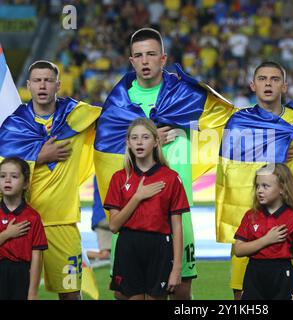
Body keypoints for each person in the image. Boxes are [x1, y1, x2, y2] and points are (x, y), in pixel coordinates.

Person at [94, 27, 235, 300]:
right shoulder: (118, 103)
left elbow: (228, 125)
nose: (145, 61)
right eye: (138, 55)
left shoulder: (188, 96)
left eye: (151, 54)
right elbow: (105, 144)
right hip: (131, 207)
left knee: (181, 291)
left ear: (163, 58)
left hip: (176, 207)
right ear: (131, 60)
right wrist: (150, 138)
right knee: (125, 294)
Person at [216, 61, 293, 300]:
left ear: (284, 86)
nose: (268, 84)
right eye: (262, 79)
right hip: (249, 225)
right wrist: (274, 156)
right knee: (243, 298)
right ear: (253, 85)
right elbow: (231, 173)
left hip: (292, 225)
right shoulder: (239, 123)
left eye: (274, 79)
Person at [0, 60, 102, 300]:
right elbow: (2, 169)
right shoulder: (14, 126)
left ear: (58, 85)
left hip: (62, 222)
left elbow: (114, 122)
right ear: (29, 85)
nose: (42, 85)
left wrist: (152, 130)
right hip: (20, 223)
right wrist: (38, 155)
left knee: (70, 295)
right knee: (15, 292)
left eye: (48, 80)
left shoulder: (77, 115)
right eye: (37, 80)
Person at [104, 118, 187, 300]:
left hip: (159, 248)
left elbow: (177, 227)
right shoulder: (119, 178)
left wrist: (177, 268)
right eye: (134, 138)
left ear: (156, 141)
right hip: (129, 246)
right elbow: (114, 226)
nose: (139, 142)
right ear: (128, 143)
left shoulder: (171, 177)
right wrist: (137, 196)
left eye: (145, 137)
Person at [234, 164, 293, 300]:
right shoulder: (250, 216)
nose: (259, 191)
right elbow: (238, 250)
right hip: (254, 276)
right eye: (257, 186)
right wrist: (266, 240)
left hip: (283, 276)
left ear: (282, 188)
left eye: (265, 186)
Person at [0, 157, 48, 300]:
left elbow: (36, 257)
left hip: (21, 275)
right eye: (2, 176)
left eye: (14, 176)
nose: (7, 180)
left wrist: (33, 292)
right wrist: (7, 234)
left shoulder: (33, 217)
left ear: (26, 183)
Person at [87, 176, 111, 261]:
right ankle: (78, 254)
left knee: (105, 255)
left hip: (99, 218)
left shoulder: (97, 175)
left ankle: (78, 254)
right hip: (105, 216)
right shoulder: (108, 175)